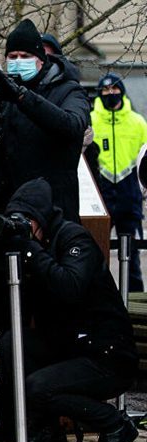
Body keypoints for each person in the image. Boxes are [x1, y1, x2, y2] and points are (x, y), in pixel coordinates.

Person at [0, 179, 139, 442]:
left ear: (41, 218)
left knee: (38, 388)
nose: (21, 228)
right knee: (13, 343)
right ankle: (45, 434)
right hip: (70, 345)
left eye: (26, 221)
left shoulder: (73, 238)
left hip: (106, 353)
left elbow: (70, 287)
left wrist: (32, 251)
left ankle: (115, 424)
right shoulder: (31, 245)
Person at [0, 18, 89, 222]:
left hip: (52, 209)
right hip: (5, 207)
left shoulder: (68, 90)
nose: (18, 61)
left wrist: (21, 95)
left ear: (41, 60)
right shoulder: (0, 93)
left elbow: (72, 126)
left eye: (25, 56)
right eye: (12, 56)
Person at [91, 73, 147, 292]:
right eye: (105, 90)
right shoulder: (90, 120)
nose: (110, 93)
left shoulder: (137, 122)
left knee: (131, 253)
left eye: (114, 89)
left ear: (122, 91)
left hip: (128, 194)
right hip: (100, 194)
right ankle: (98, 299)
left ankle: (134, 299)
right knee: (95, 252)